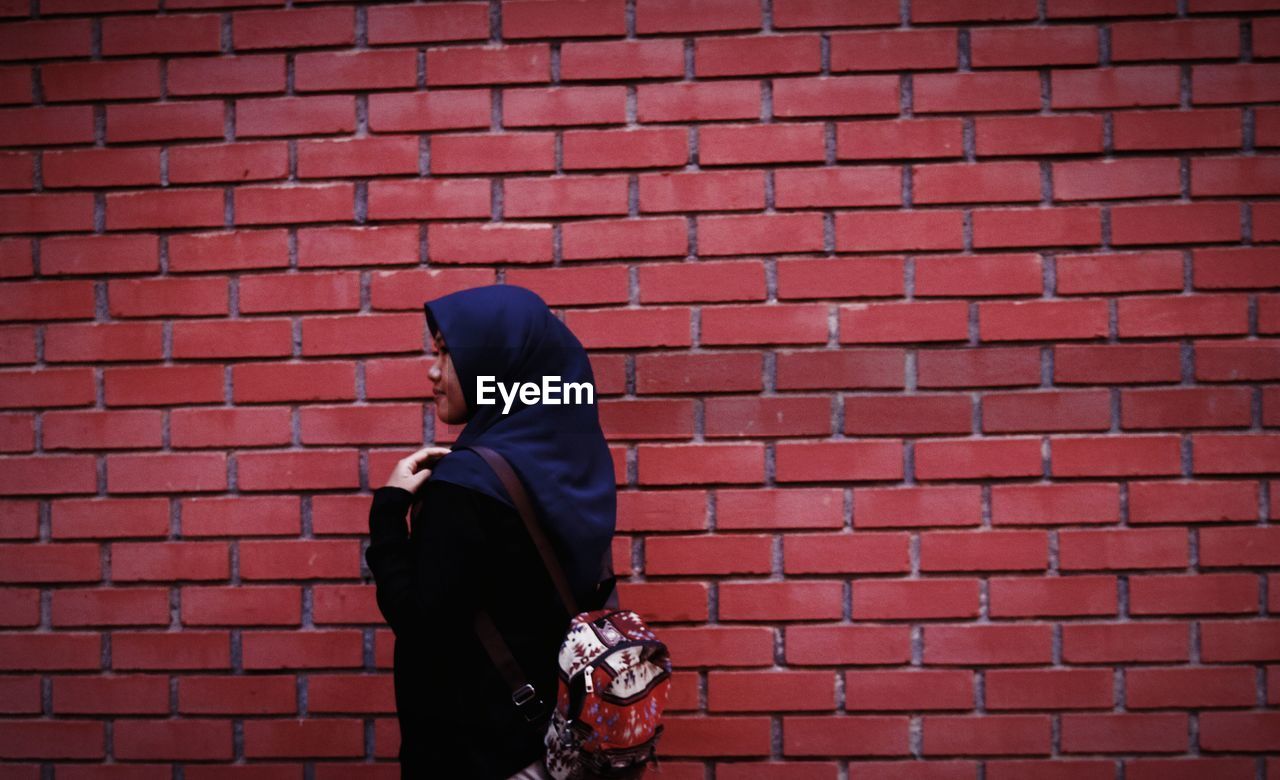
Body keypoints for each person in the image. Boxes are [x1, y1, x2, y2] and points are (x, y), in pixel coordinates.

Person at [365, 284, 617, 779]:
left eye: (446, 352)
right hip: (558, 744)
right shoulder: (574, 462)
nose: (432, 370)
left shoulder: (465, 486)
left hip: (479, 754)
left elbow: (423, 628)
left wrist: (388, 514)